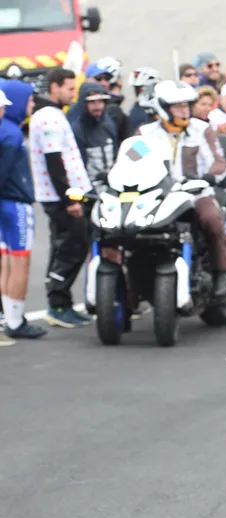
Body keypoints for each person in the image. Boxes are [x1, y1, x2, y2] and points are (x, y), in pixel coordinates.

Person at [138, 81, 226, 298]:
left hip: (195, 193)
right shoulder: (146, 133)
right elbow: (131, 158)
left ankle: (221, 272)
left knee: (212, 220)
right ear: (163, 108)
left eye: (187, 105)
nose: (185, 110)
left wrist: (209, 177)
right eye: (178, 106)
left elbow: (219, 161)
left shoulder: (201, 130)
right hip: (158, 195)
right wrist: (114, 173)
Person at [29, 67, 93, 329]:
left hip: (66, 195)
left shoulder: (53, 114)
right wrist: (70, 200)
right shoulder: (49, 118)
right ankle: (57, 304)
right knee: (71, 248)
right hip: (63, 198)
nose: (73, 94)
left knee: (65, 247)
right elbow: (54, 162)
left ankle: (60, 303)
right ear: (54, 87)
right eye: (69, 88)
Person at [0, 83, 46, 340]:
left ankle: (10, 316)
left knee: (6, 260)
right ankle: (16, 320)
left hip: (4, 204)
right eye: (29, 100)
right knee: (19, 260)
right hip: (14, 203)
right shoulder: (11, 134)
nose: (32, 105)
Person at [70, 81, 120, 195]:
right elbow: (77, 167)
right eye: (92, 102)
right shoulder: (77, 131)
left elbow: (116, 154)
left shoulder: (109, 126)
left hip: (113, 189)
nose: (98, 106)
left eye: (101, 101)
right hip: (89, 193)